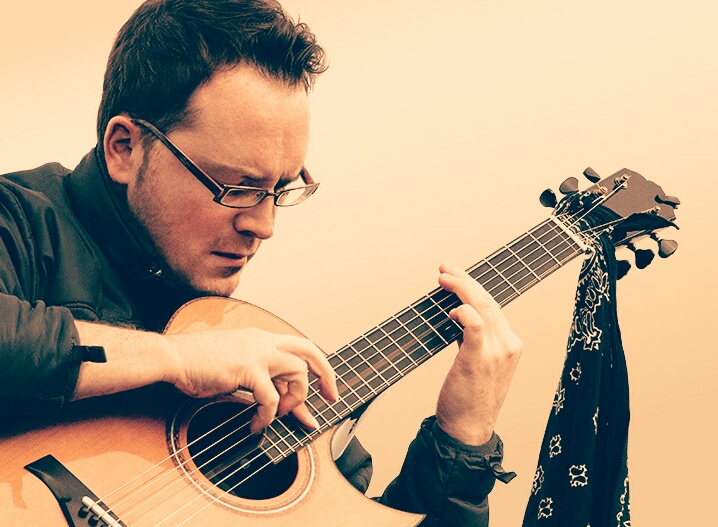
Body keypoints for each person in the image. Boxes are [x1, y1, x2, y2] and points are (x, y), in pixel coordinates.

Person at [0, 0, 523, 525]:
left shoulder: (264, 367)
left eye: (282, 188)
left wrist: (464, 439)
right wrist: (176, 357)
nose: (264, 224)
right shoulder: (18, 219)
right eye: (237, 187)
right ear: (124, 148)